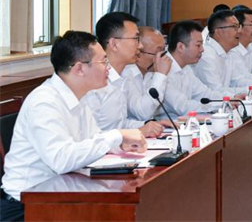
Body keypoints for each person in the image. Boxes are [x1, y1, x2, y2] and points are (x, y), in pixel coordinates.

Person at [1, 32, 146, 222]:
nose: (108, 68)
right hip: (26, 207)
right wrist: (116, 136)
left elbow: (92, 139)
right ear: (79, 68)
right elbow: (61, 159)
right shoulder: (44, 102)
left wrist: (119, 144)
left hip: (61, 196)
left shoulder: (79, 96)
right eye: (104, 62)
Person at [83, 12, 169, 137]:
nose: (140, 46)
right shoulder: (94, 82)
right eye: (136, 39)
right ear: (114, 44)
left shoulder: (123, 75)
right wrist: (139, 131)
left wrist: (149, 125)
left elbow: (120, 124)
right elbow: (90, 136)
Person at [161, 20, 242, 119]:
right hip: (167, 125)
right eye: (198, 45)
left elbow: (205, 94)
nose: (202, 49)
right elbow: (183, 106)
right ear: (181, 47)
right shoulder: (163, 70)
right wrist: (221, 104)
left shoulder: (186, 68)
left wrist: (230, 99)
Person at [195, 10, 252, 92]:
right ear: (219, 32)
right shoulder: (207, 56)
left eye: (239, 27)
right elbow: (216, 91)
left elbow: (236, 81)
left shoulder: (228, 52)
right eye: (234, 27)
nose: (240, 31)